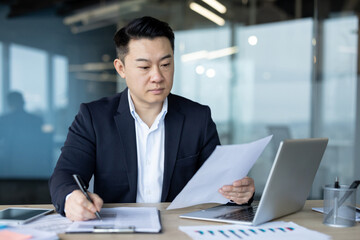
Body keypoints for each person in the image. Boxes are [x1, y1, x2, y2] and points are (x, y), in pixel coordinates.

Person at [49, 16, 255, 221]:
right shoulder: (94, 117)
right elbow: (65, 175)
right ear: (121, 68)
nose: (157, 76)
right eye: (145, 67)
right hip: (117, 230)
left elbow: (220, 186)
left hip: (177, 229)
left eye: (165, 64)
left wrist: (240, 194)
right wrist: (71, 199)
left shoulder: (197, 118)